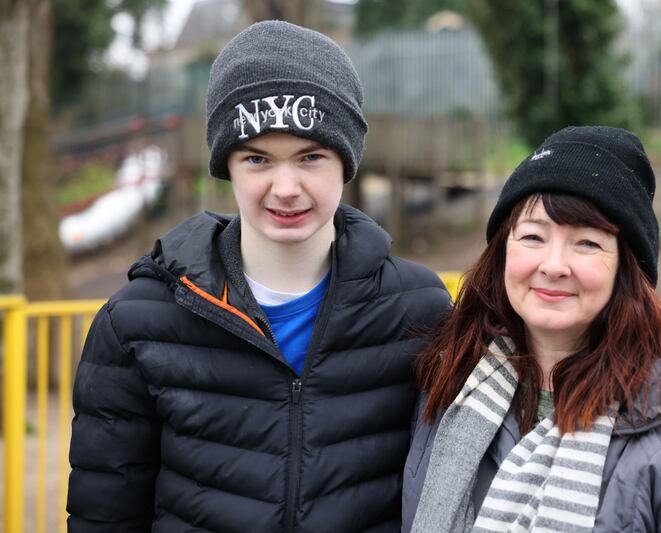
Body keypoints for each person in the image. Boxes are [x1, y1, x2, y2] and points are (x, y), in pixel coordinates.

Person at [67, 21, 451, 532]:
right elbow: (106, 515)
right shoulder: (137, 322)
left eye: (310, 157)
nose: (285, 187)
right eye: (257, 159)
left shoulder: (420, 310)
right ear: (227, 165)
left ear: (347, 161)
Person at [403, 126, 661, 532]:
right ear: (502, 252)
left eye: (586, 243)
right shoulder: (450, 390)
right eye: (533, 236)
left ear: (627, 269)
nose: (553, 265)